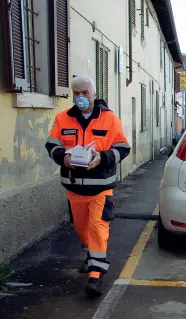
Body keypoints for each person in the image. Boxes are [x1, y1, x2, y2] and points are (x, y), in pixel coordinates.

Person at [44, 75, 130, 296]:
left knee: (97, 228)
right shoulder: (63, 118)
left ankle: (95, 274)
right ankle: (90, 255)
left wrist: (102, 157)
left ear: (94, 94)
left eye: (85, 93)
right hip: (74, 188)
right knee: (82, 229)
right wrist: (62, 157)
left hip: (101, 188)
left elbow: (122, 148)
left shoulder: (109, 119)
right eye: (76, 93)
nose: (80, 97)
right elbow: (52, 145)